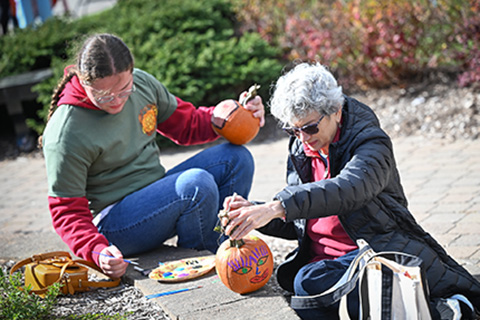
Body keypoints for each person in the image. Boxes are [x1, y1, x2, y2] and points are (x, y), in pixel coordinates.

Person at [221, 62, 480, 319]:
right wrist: (255, 213)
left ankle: (447, 311)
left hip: (374, 249)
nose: (302, 138)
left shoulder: (370, 141)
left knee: (309, 283)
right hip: (330, 266)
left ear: (335, 109)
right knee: (308, 284)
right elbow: (302, 219)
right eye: (293, 129)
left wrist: (278, 206)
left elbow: (349, 189)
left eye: (310, 127)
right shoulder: (302, 146)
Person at [41, 33, 265, 279]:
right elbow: (66, 211)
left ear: (132, 72)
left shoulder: (142, 84)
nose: (116, 102)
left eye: (124, 90)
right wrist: (97, 251)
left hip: (156, 196)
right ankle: (201, 258)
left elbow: (186, 124)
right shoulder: (65, 133)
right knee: (196, 184)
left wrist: (230, 116)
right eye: (104, 96)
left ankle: (224, 246)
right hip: (115, 223)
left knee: (237, 158)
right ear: (84, 83)